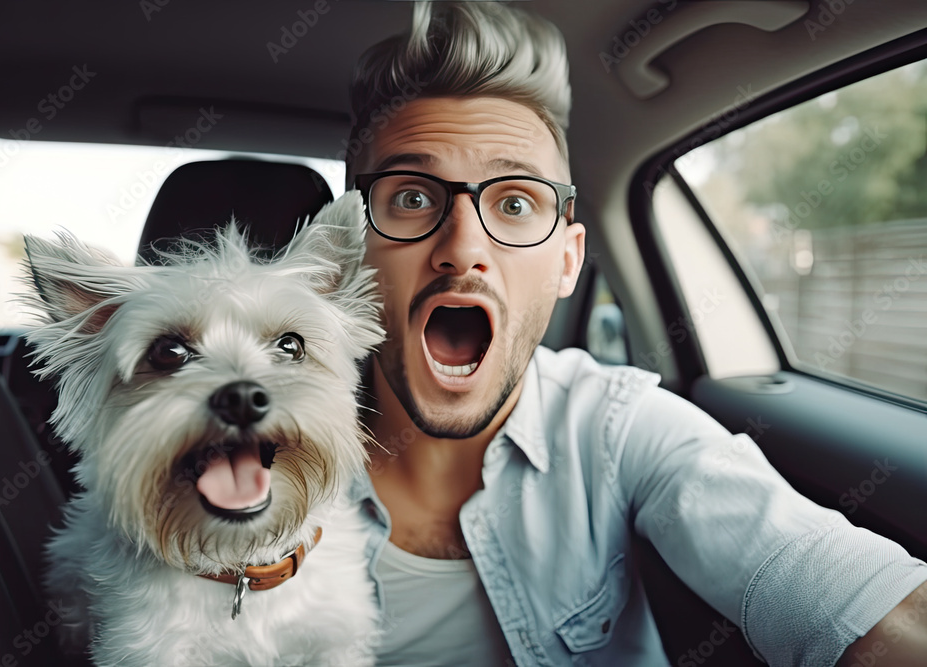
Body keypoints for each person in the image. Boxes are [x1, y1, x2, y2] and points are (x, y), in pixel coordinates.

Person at [343, 3, 927, 665]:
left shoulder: (616, 427)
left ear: (567, 260)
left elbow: (866, 600)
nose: (463, 247)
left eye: (514, 202)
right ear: (347, 248)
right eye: (413, 197)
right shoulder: (248, 457)